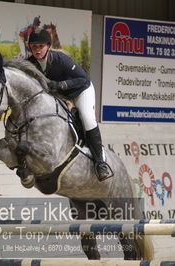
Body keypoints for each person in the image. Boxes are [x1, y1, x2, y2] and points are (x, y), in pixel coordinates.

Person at [26, 29, 111, 181]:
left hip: (80, 91)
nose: (37, 50)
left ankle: (100, 162)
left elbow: (84, 79)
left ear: (48, 46)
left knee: (87, 118)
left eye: (40, 46)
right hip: (59, 95)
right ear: (29, 48)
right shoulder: (31, 63)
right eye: (34, 47)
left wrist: (60, 85)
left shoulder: (60, 59)